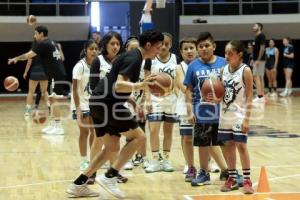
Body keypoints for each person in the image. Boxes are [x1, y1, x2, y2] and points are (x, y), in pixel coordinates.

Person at [66, 29, 164, 198]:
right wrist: (140, 85)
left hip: (98, 102)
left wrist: (133, 102)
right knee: (139, 137)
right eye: (158, 47)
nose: (159, 51)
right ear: (148, 45)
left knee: (111, 147)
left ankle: (78, 184)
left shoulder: (132, 55)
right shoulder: (134, 58)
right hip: (108, 103)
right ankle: (110, 176)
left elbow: (114, 83)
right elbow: (119, 85)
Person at [184, 32, 228, 186]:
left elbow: (229, 87)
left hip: (222, 113)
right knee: (203, 145)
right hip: (201, 113)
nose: (204, 49)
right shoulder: (193, 66)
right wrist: (190, 112)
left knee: (226, 145)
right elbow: (188, 90)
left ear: (214, 46)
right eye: (200, 46)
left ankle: (230, 172)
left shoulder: (224, 63)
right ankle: (204, 173)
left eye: (207, 45)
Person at [8, 25, 67, 135]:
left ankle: (58, 126)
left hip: (56, 74)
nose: (34, 36)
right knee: (50, 97)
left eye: (36, 33)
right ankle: (53, 124)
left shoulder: (43, 44)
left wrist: (16, 58)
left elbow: (29, 55)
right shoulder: (51, 42)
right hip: (55, 73)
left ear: (41, 34)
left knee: (53, 100)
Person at [88, 31, 128, 183]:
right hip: (101, 104)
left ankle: (113, 172)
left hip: (117, 105)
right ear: (105, 45)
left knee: (115, 140)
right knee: (99, 140)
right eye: (112, 43)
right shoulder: (98, 61)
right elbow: (93, 86)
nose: (115, 46)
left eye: (118, 43)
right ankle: (91, 173)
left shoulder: (123, 60)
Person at [218, 40, 254, 194]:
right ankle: (232, 178)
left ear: (239, 54)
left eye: (230, 53)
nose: (226, 56)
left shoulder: (245, 70)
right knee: (228, 147)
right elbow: (221, 93)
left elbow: (250, 95)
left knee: (241, 147)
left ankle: (247, 180)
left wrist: (247, 119)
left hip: (239, 115)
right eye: (225, 53)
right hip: (224, 115)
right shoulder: (223, 70)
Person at [145, 32, 181, 173]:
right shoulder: (150, 59)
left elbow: (178, 80)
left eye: (167, 44)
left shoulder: (175, 59)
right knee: (153, 130)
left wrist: (179, 98)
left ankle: (165, 159)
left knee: (168, 131)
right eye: (161, 44)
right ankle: (155, 160)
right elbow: (146, 81)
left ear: (171, 45)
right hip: (155, 99)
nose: (164, 46)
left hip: (171, 98)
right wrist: (147, 99)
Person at [71, 39, 99, 173]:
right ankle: (83, 160)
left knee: (95, 132)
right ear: (86, 50)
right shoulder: (79, 66)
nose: (94, 51)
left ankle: (93, 158)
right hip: (81, 103)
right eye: (91, 49)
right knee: (85, 132)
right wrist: (78, 108)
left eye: (96, 49)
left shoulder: (98, 65)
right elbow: (75, 89)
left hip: (93, 102)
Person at [123, 36, 150, 170]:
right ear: (126, 50)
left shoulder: (145, 62)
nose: (133, 51)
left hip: (141, 101)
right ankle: (128, 158)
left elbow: (147, 84)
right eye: (131, 48)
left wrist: (143, 103)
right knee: (130, 130)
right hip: (126, 101)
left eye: (136, 48)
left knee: (142, 130)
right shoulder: (123, 63)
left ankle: (143, 157)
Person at [175, 37, 198, 181]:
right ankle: (190, 165)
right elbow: (184, 88)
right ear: (181, 52)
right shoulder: (179, 67)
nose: (189, 51)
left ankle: (205, 163)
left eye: (192, 48)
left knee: (205, 137)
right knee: (187, 137)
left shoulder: (202, 65)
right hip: (185, 105)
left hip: (203, 105)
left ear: (196, 49)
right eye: (186, 49)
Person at [23, 39, 49, 117]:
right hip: (45, 72)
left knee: (31, 92)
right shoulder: (46, 50)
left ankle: (27, 112)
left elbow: (29, 62)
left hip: (35, 72)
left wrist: (25, 72)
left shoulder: (32, 50)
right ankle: (50, 108)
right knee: (45, 92)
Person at [251, 23, 266, 103]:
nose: (253, 27)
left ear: (259, 27)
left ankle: (260, 97)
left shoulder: (261, 35)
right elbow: (255, 50)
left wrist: (258, 59)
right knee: (257, 77)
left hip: (259, 60)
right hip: (256, 60)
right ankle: (260, 95)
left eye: (255, 26)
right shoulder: (256, 37)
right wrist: (253, 59)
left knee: (256, 77)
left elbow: (262, 48)